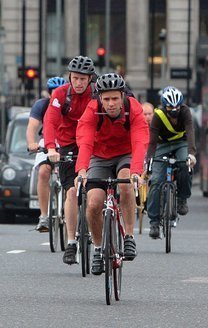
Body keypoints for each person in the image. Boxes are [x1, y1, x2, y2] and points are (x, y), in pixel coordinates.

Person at [75, 73, 149, 275]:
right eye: (106, 99)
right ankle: (98, 250)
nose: (111, 104)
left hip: (126, 154)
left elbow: (141, 140)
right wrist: (82, 170)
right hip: (99, 156)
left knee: (125, 183)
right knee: (93, 203)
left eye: (115, 98)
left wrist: (136, 172)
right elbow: (85, 141)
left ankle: (129, 237)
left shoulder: (133, 107)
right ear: (99, 98)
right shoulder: (92, 110)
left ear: (122, 96)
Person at [43, 55, 96, 265]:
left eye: (83, 78)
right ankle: (72, 241)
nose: (79, 82)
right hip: (68, 145)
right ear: (70, 77)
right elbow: (50, 121)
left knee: (96, 192)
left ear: (90, 79)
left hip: (92, 143)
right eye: (75, 78)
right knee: (71, 192)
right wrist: (50, 147)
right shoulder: (60, 94)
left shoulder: (97, 93)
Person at [145, 86, 196, 239]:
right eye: (170, 107)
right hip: (161, 145)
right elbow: (152, 141)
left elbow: (190, 132)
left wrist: (191, 154)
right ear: (164, 106)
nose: (174, 110)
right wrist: (149, 161)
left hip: (181, 143)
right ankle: (154, 222)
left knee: (183, 165)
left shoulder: (186, 112)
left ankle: (182, 199)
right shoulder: (158, 115)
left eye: (177, 106)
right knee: (155, 181)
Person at [26, 76, 68, 232]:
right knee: (44, 172)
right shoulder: (41, 105)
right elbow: (32, 126)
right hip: (47, 141)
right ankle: (44, 216)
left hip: (67, 141)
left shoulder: (70, 104)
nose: (55, 94)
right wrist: (32, 143)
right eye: (52, 92)